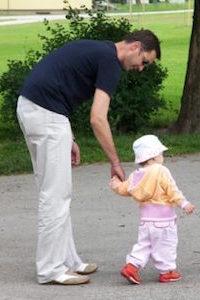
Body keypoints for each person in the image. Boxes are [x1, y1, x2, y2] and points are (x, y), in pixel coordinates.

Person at [16, 30, 161, 285]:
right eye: (144, 62)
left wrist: (68, 137)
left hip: (35, 108)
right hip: (46, 113)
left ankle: (69, 261)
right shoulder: (110, 61)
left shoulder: (101, 50)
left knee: (55, 192)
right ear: (135, 46)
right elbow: (97, 118)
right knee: (56, 195)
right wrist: (115, 162)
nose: (141, 69)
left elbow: (59, 84)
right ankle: (50, 269)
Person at [110, 135, 195, 284]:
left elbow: (124, 189)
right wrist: (184, 203)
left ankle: (131, 266)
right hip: (164, 220)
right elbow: (172, 190)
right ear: (153, 156)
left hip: (146, 221)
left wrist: (116, 183)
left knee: (144, 244)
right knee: (166, 245)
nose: (162, 157)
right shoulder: (161, 170)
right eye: (161, 154)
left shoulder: (137, 174)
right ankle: (167, 271)